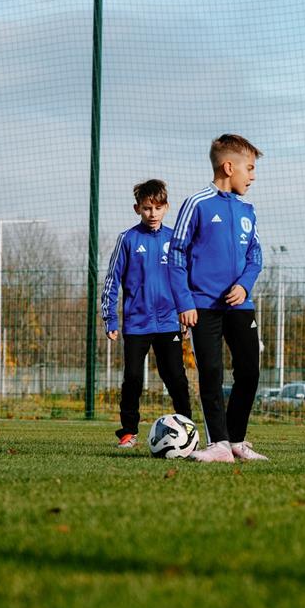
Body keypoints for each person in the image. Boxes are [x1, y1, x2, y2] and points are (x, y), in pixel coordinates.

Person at [170, 134, 267, 463]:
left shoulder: (247, 210)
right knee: (211, 372)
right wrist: (184, 301)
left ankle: (237, 440)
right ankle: (219, 444)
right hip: (203, 307)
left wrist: (244, 284)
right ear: (229, 167)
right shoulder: (196, 204)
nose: (252, 176)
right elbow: (177, 254)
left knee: (250, 373)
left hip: (241, 306)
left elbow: (256, 256)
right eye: (249, 169)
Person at [101, 179, 191, 448]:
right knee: (133, 378)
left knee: (175, 377)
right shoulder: (127, 239)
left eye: (158, 208)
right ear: (137, 208)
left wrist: (186, 311)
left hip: (168, 322)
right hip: (137, 324)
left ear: (166, 208)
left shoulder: (175, 239)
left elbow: (186, 278)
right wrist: (110, 318)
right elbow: (111, 280)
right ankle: (128, 432)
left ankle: (187, 428)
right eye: (147, 208)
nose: (152, 214)